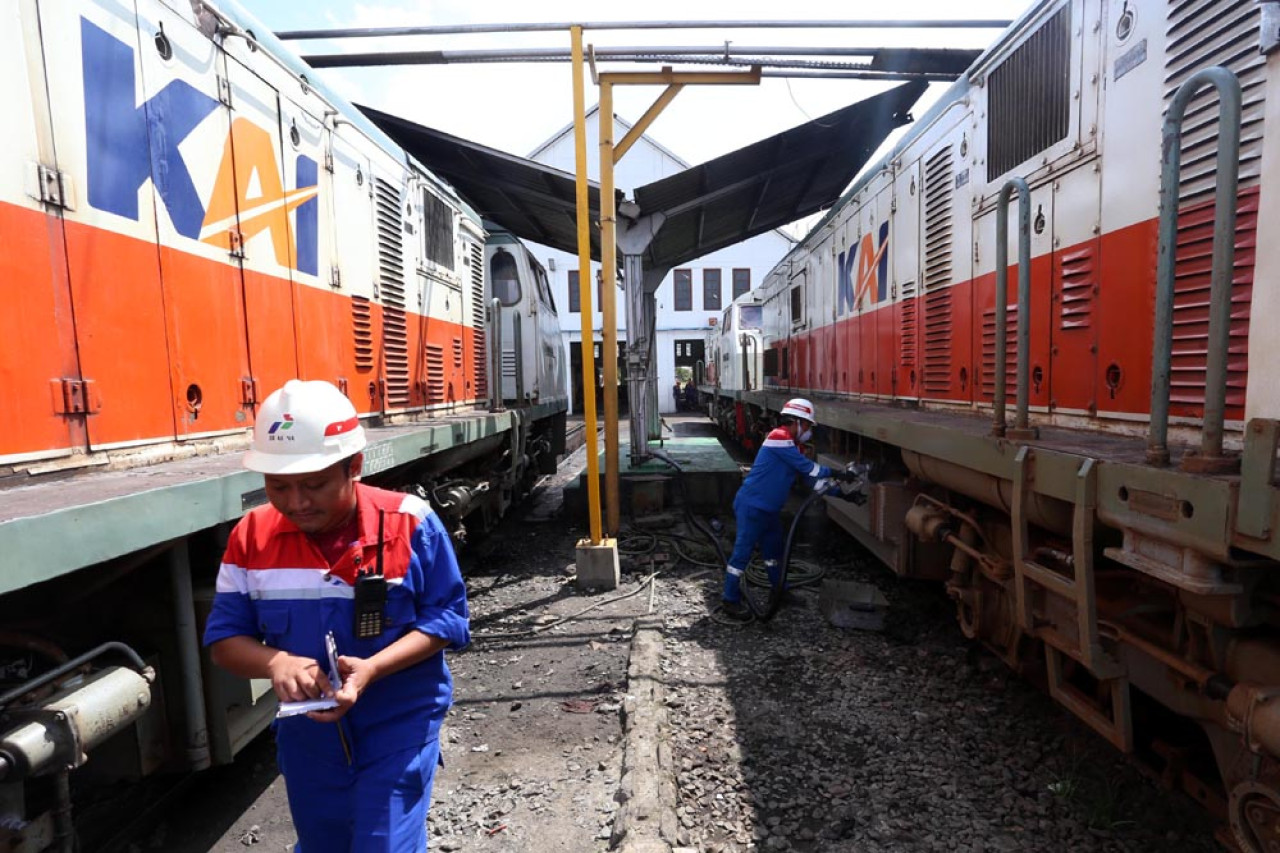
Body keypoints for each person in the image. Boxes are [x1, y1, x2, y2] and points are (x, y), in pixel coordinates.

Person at [203, 379, 469, 852]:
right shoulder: (251, 536)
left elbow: (446, 619)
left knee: (383, 843)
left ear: (355, 467)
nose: (297, 502)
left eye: (315, 484)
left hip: (398, 722)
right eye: (278, 486)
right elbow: (225, 638)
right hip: (308, 735)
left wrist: (372, 669)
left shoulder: (411, 522)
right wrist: (276, 664)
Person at [716, 398, 856, 624]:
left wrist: (846, 495)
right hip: (752, 507)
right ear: (797, 422)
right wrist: (840, 473)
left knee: (774, 553)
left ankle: (779, 590)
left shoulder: (793, 446)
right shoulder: (779, 437)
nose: (809, 431)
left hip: (768, 510)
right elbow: (810, 469)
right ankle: (729, 599)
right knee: (742, 554)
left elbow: (814, 484)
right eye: (808, 426)